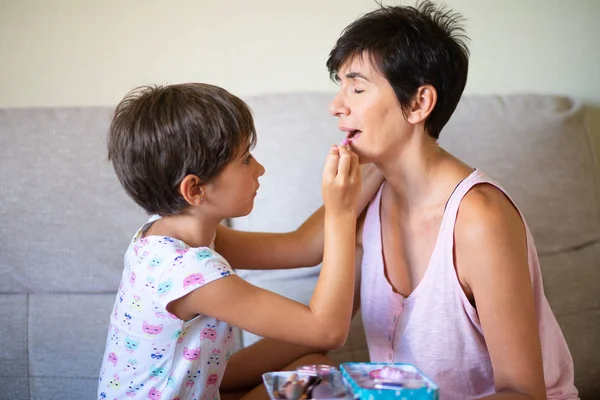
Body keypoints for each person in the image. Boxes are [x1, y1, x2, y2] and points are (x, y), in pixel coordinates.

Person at [326, 1, 578, 399]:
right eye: (339, 86)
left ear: (418, 104)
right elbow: (293, 254)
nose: (336, 106)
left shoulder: (480, 218)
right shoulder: (368, 194)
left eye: (356, 88)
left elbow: (524, 393)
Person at [98, 82, 383, 400]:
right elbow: (328, 330)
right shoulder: (189, 272)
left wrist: (376, 166)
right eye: (246, 159)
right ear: (195, 190)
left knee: (314, 370)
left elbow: (301, 247)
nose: (260, 169)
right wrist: (341, 213)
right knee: (317, 385)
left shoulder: (165, 234)